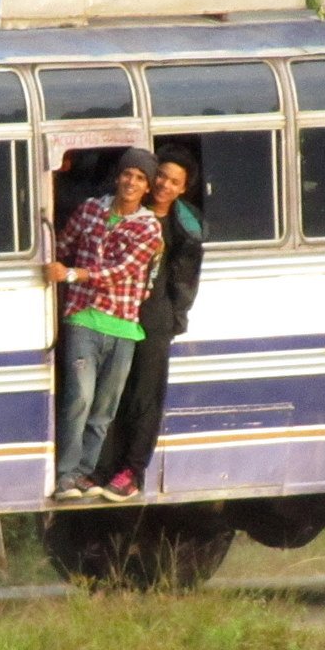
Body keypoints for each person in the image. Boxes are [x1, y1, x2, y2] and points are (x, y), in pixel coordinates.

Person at [46, 148, 163, 499]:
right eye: (128, 174)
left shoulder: (149, 227)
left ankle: (84, 472)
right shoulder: (91, 209)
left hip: (123, 326)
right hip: (83, 318)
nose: (131, 181)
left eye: (140, 178)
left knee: (103, 410)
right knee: (78, 398)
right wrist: (52, 262)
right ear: (118, 176)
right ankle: (66, 475)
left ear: (147, 187)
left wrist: (71, 274)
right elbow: (64, 242)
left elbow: (123, 270)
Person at [93, 146, 205, 502]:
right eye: (162, 177)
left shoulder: (184, 225)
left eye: (175, 182)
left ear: (183, 189)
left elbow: (185, 279)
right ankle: (101, 468)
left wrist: (173, 320)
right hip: (116, 312)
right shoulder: (127, 212)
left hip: (155, 319)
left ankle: (131, 472)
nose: (165, 186)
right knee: (111, 392)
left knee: (145, 395)